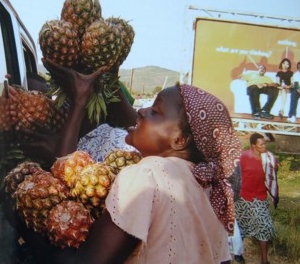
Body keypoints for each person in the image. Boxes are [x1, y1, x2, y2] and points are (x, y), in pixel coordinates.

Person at [18, 63, 242, 263]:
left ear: (180, 140)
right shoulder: (212, 190)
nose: (141, 111)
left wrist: (23, 219)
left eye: (155, 112)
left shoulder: (147, 175)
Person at [235, 133, 278, 264]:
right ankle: (238, 253)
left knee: (264, 226)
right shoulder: (243, 156)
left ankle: (264, 261)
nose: (264, 146)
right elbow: (234, 175)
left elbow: (271, 178)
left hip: (260, 198)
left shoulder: (269, 158)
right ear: (253, 145)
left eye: (265, 144)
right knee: (241, 227)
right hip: (243, 197)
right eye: (261, 144)